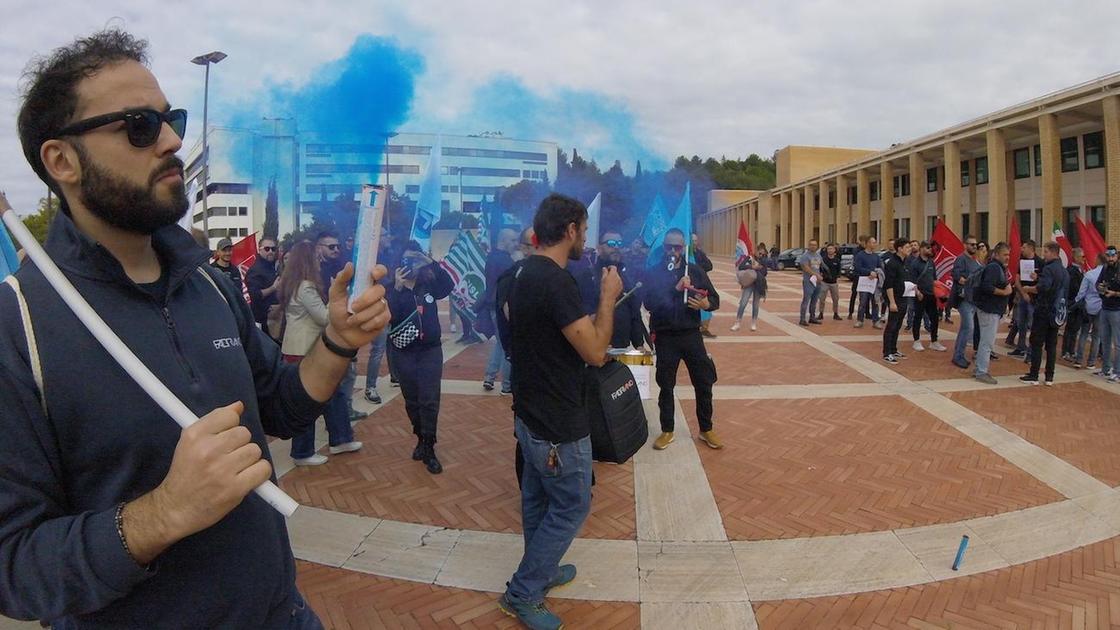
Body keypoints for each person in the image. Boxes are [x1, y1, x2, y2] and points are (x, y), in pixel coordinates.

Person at [0, 29, 390, 628]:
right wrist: (163, 513)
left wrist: (338, 341)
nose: (174, 140)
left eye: (169, 118)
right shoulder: (18, 326)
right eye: (139, 125)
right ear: (62, 161)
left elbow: (279, 411)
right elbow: (16, 570)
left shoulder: (207, 284)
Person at [500, 193, 622, 629]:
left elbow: (534, 336)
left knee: (537, 499)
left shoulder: (515, 273)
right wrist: (608, 300)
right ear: (570, 229)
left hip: (529, 412)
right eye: (584, 230)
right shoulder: (556, 280)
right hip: (558, 420)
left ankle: (543, 570)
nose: (585, 238)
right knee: (571, 505)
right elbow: (592, 352)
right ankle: (524, 591)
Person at [280, 241, 363, 465]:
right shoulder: (305, 286)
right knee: (308, 399)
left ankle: (340, 438)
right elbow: (324, 317)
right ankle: (303, 451)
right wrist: (336, 299)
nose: (319, 260)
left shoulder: (293, 283)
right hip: (305, 348)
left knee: (332, 395)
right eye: (316, 257)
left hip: (299, 347)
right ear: (308, 260)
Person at [643, 228, 723, 451]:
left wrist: (707, 305)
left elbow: (714, 298)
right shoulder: (655, 272)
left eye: (677, 247)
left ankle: (706, 428)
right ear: (663, 247)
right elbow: (649, 303)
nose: (672, 251)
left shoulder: (695, 271)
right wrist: (674, 288)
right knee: (666, 385)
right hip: (666, 336)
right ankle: (667, 430)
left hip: (691, 335)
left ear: (684, 248)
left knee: (704, 382)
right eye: (668, 246)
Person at [387, 242, 454, 473]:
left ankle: (429, 445)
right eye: (406, 259)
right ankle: (419, 436)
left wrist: (431, 263)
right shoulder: (392, 288)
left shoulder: (429, 283)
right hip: (404, 353)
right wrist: (397, 288)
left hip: (430, 351)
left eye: (414, 259)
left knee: (429, 400)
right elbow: (390, 316)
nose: (411, 264)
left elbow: (448, 287)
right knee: (412, 400)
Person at [586, 230, 650, 349]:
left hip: (622, 349)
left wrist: (639, 344)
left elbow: (634, 314)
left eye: (619, 244)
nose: (616, 247)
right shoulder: (588, 277)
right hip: (595, 349)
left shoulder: (626, 278)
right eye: (611, 243)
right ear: (599, 248)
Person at [1020, 242, 1069, 385]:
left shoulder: (1049, 269)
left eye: (1046, 252)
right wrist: (1038, 278)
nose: (1044, 255)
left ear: (1053, 252)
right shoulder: (1064, 271)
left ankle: (1034, 374)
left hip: (1043, 310)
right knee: (1051, 345)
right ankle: (1049, 376)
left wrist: (1029, 288)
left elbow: (1043, 288)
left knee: (1036, 342)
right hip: (1057, 312)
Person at [480, 228, 518, 393]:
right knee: (508, 345)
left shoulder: (492, 257)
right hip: (503, 307)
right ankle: (507, 385)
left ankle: (490, 376)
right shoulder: (505, 261)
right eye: (513, 240)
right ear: (503, 240)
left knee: (501, 344)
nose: (515, 244)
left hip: (494, 306)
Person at [974, 242, 1014, 384]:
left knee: (985, 341)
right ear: (996, 254)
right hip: (989, 309)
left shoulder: (999, 268)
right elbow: (986, 286)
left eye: (1008, 254)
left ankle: (979, 368)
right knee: (987, 342)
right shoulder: (993, 268)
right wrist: (1003, 292)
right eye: (1005, 254)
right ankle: (981, 371)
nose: (1007, 257)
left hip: (992, 309)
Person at [908, 241, 946, 352]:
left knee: (934, 318)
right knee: (918, 317)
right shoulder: (915, 264)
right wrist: (917, 292)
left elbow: (934, 279)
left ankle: (934, 341)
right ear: (922, 249)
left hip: (931, 294)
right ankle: (916, 341)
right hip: (920, 294)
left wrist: (940, 291)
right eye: (928, 248)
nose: (930, 250)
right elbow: (912, 280)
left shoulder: (931, 263)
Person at [950, 235, 982, 368]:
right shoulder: (961, 259)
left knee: (965, 328)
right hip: (964, 299)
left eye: (976, 245)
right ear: (965, 245)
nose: (974, 247)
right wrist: (965, 279)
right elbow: (957, 275)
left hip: (973, 299)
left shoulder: (976, 262)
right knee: (969, 327)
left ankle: (958, 355)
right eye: (972, 244)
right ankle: (958, 356)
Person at [1009, 240, 1043, 359]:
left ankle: (1031, 350)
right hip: (1023, 296)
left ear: (1031, 248)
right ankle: (1020, 347)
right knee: (1020, 322)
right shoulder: (1021, 261)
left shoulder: (1040, 262)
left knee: (1032, 324)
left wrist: (1037, 277)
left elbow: (1043, 282)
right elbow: (1017, 279)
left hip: (1034, 299)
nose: (1022, 249)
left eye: (1024, 247)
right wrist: (1023, 293)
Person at [1073, 253, 1107, 370]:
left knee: (1084, 333)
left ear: (1098, 260)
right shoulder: (1108, 275)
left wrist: (1076, 302)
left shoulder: (1089, 274)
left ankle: (1079, 360)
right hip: (1101, 307)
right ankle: (1091, 362)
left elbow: (1082, 292)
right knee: (1096, 336)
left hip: (1088, 306)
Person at [881, 238, 911, 363]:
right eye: (907, 247)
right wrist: (892, 302)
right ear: (900, 249)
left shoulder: (905, 262)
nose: (909, 249)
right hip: (894, 298)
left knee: (898, 325)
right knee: (891, 325)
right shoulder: (892, 263)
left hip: (904, 297)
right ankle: (887, 352)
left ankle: (893, 349)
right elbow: (888, 284)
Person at [245, 236, 280, 331]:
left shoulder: (274, 267)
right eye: (267, 249)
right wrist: (273, 288)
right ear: (259, 250)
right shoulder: (255, 270)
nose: (270, 252)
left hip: (276, 319)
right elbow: (255, 295)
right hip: (263, 321)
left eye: (273, 249)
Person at [1097, 246, 1120, 382]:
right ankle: (1106, 368)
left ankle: (1117, 371)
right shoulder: (1105, 269)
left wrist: (1115, 293)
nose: (1110, 258)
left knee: (1117, 343)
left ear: (1117, 256)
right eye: (1108, 255)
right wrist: (1100, 287)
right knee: (1104, 340)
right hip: (1105, 307)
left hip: (1117, 309)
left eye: (1113, 255)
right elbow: (1097, 284)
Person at [732, 245, 768, 332]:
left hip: (758, 284)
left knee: (756, 305)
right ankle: (737, 323)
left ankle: (753, 323)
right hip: (749, 283)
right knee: (743, 302)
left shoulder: (763, 260)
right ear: (756, 251)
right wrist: (752, 267)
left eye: (763, 254)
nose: (761, 255)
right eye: (760, 253)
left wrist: (761, 266)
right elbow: (741, 267)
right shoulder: (749, 258)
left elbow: (765, 272)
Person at [1061, 248, 1086, 362]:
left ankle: (1071, 350)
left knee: (1075, 328)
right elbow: (1073, 288)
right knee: (1070, 328)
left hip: (1078, 304)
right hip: (1072, 302)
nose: (1084, 259)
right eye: (1082, 256)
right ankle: (1066, 351)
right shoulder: (1071, 271)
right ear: (1076, 257)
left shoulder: (1081, 270)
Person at [691, 233, 717, 338]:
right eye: (692, 240)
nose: (694, 242)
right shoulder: (686, 254)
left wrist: (698, 269)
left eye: (695, 240)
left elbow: (709, 266)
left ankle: (704, 329)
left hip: (701, 283)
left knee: (706, 309)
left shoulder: (700, 253)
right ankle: (695, 329)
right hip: (691, 285)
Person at [854, 235, 882, 328]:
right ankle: (860, 320)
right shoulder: (860, 255)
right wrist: (869, 272)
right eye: (873, 242)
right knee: (863, 302)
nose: (874, 244)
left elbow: (880, 268)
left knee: (875, 302)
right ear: (868, 243)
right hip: (864, 282)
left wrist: (876, 273)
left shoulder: (876, 256)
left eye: (875, 242)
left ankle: (876, 321)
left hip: (874, 282)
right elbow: (857, 268)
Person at [797, 239, 824, 326]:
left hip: (818, 281)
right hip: (808, 281)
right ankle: (802, 319)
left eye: (815, 245)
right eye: (811, 244)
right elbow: (805, 267)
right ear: (808, 246)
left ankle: (812, 317)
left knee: (815, 300)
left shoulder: (818, 256)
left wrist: (821, 275)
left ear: (817, 246)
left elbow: (820, 266)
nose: (813, 246)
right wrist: (816, 275)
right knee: (806, 299)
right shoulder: (805, 256)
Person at [817, 242, 842, 321]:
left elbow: (839, 271)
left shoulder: (837, 260)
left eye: (831, 249)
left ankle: (835, 313)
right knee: (822, 299)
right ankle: (821, 313)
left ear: (835, 250)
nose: (830, 250)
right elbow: (820, 269)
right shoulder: (823, 260)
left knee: (835, 299)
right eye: (828, 249)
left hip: (834, 283)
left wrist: (837, 276)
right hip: (824, 282)